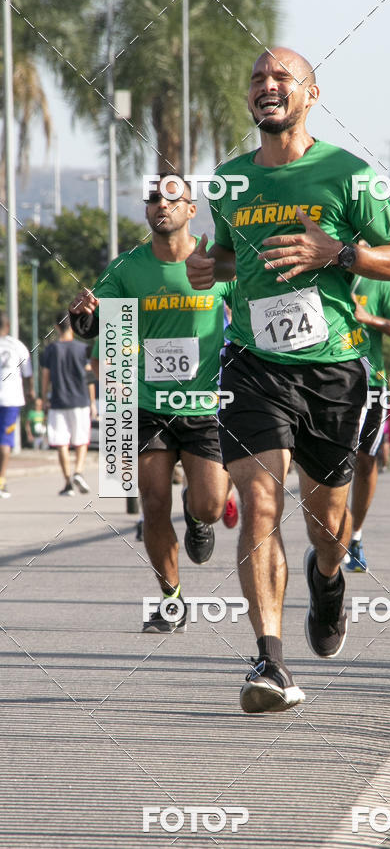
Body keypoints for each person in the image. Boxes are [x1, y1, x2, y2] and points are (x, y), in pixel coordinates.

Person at [186, 46, 390, 713]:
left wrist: (338, 252)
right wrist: (212, 270)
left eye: (282, 76)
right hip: (253, 366)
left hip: (333, 370)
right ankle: (270, 661)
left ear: (311, 94)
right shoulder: (229, 181)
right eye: (257, 77)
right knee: (259, 504)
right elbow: (230, 258)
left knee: (327, 525)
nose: (267, 85)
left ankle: (329, 577)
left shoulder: (348, 175)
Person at [69, 174, 236, 633]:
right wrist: (80, 314)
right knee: (153, 502)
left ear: (190, 209)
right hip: (145, 404)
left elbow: (247, 318)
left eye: (170, 197)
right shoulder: (127, 268)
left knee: (208, 506)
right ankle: (172, 598)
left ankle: (199, 519)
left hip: (202, 405)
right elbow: (94, 326)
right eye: (152, 199)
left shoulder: (215, 265)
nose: (159, 204)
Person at [345, 279, 390, 573]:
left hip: (370, 385)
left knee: (364, 461)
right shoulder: (316, 271)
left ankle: (355, 536)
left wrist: (369, 319)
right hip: (322, 381)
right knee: (330, 463)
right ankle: (329, 533)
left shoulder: (378, 282)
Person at [40, 313, 95, 496]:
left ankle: (68, 482)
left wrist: (44, 398)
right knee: (81, 441)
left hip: (58, 402)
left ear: (56, 327)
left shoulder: (51, 350)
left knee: (61, 442)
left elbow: (45, 377)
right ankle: (79, 471)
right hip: (80, 401)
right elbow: (89, 378)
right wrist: (93, 402)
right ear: (72, 326)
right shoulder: (83, 349)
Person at [0, 313, 34, 498]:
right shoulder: (17, 346)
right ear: (8, 326)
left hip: (9, 399)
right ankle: (1, 481)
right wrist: (31, 392)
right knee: (5, 441)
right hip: (10, 400)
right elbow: (28, 373)